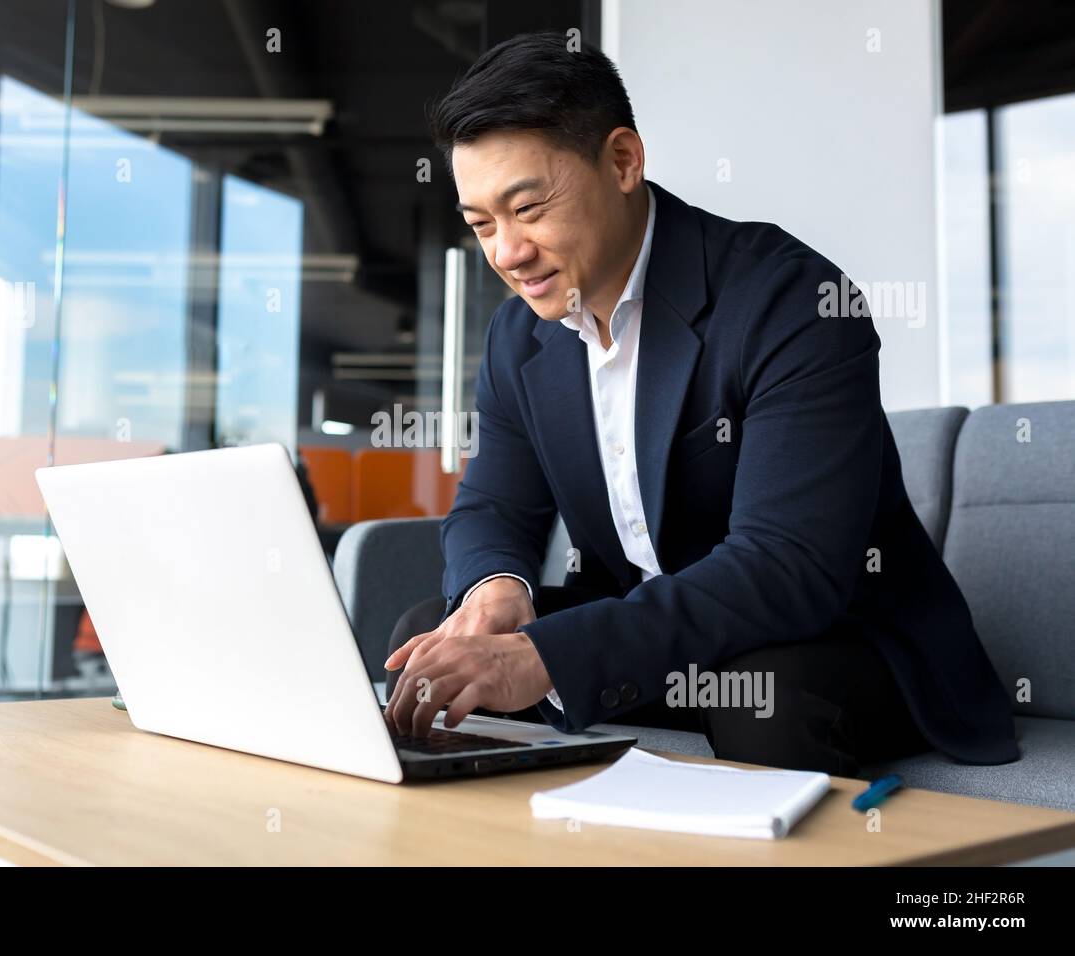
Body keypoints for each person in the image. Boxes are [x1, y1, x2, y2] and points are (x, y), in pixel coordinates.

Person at [383, 32, 1018, 777]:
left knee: (766, 698)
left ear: (623, 161)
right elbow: (493, 505)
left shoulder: (794, 301)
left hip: (830, 640)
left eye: (528, 208)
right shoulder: (520, 335)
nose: (508, 253)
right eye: (482, 225)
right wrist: (497, 594)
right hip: (659, 643)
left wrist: (547, 654)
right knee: (434, 642)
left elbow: (787, 569)